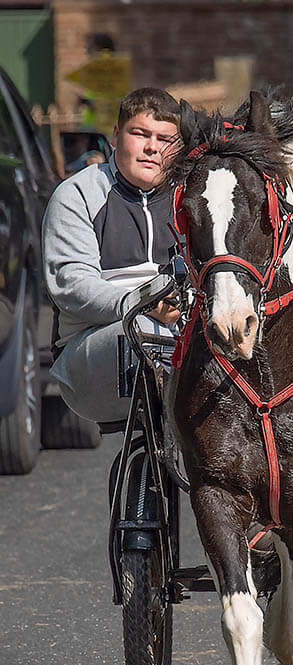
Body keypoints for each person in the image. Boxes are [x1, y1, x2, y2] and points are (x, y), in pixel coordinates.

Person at [44, 87, 182, 424]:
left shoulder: (190, 198)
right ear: (116, 135)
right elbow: (72, 285)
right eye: (140, 133)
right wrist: (140, 303)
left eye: (165, 139)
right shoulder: (77, 194)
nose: (152, 147)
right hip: (94, 344)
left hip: (180, 334)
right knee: (141, 334)